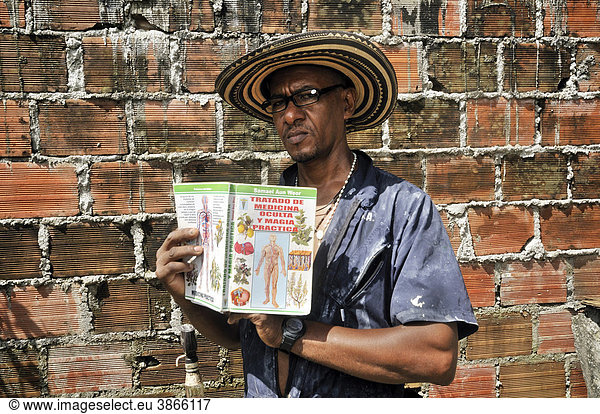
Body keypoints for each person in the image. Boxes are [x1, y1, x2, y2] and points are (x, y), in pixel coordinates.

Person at [155, 31, 478, 398]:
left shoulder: (401, 209)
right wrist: (184, 291)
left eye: (307, 95)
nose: (291, 115)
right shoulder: (255, 212)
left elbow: (435, 356)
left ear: (347, 102)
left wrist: (290, 333)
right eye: (278, 103)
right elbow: (238, 334)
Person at [255, 233, 286, 308]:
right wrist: (258, 268)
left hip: (275, 266)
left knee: (274, 284)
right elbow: (262, 259)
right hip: (267, 266)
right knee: (267, 284)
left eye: (274, 236)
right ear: (269, 238)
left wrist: (283, 269)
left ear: (276, 238)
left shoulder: (279, 248)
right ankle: (267, 298)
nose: (273, 237)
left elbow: (282, 259)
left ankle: (274, 301)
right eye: (271, 236)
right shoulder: (265, 248)